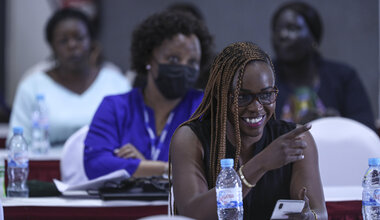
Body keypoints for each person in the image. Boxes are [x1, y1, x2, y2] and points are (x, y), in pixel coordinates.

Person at [170, 42, 327, 219]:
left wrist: (308, 217)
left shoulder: (296, 141)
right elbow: (193, 213)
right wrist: (260, 164)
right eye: (242, 97)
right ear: (219, 95)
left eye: (266, 94)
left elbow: (320, 213)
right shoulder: (190, 139)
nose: (257, 107)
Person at [84, 11, 213, 179]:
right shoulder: (115, 107)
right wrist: (164, 169)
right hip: (124, 205)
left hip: (181, 205)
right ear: (148, 58)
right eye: (173, 59)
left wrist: (142, 167)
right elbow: (95, 164)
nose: (183, 68)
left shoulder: (206, 108)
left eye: (192, 62)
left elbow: (212, 168)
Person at [7, 8, 131, 147]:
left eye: (79, 38)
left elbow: (132, 139)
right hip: (46, 166)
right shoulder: (32, 85)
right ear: (52, 46)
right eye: (63, 41)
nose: (72, 45)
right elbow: (17, 144)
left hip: (107, 167)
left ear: (91, 41)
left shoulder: (116, 83)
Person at [271, 1, 376, 129]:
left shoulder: (343, 77)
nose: (282, 35)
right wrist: (296, 128)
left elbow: (366, 130)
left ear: (314, 38)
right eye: (277, 29)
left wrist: (338, 125)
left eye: (292, 28)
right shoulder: (264, 81)